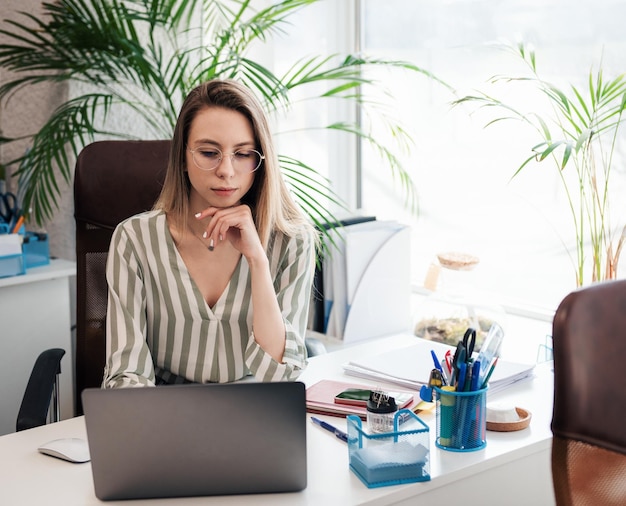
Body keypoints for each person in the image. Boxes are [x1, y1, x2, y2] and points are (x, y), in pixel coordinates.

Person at [102, 79, 317, 388]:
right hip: (165, 412)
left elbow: (281, 373)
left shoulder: (293, 241)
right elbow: (127, 373)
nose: (226, 171)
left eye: (243, 154)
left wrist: (257, 260)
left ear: (260, 161)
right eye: (208, 152)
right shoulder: (134, 240)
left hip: (255, 409)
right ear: (183, 158)